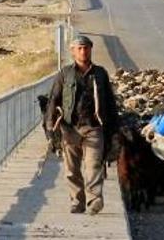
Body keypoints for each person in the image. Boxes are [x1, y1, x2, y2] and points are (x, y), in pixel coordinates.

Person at [45, 36, 119, 214]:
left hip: (94, 126)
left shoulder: (100, 73)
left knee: (93, 165)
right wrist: (50, 126)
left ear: (91, 49)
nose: (83, 51)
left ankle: (94, 200)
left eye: (86, 48)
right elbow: (53, 99)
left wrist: (114, 128)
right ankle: (77, 201)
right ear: (73, 51)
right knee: (71, 169)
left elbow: (110, 101)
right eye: (79, 48)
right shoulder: (64, 74)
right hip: (70, 128)